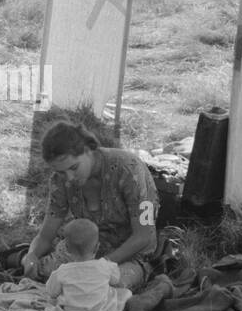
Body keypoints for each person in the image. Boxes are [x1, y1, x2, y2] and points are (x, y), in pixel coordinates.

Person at [22, 121, 159, 290]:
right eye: (61, 172)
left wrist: (100, 266)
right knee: (43, 272)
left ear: (88, 150)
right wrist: (31, 255)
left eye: (74, 167)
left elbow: (143, 236)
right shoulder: (60, 182)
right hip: (82, 250)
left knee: (105, 288)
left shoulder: (129, 170)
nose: (69, 178)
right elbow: (45, 236)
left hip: (129, 254)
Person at [44, 218, 133, 311]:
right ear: (97, 247)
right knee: (125, 293)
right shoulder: (104, 266)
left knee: (54, 301)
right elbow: (115, 280)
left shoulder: (62, 271)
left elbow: (51, 292)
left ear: (67, 248)